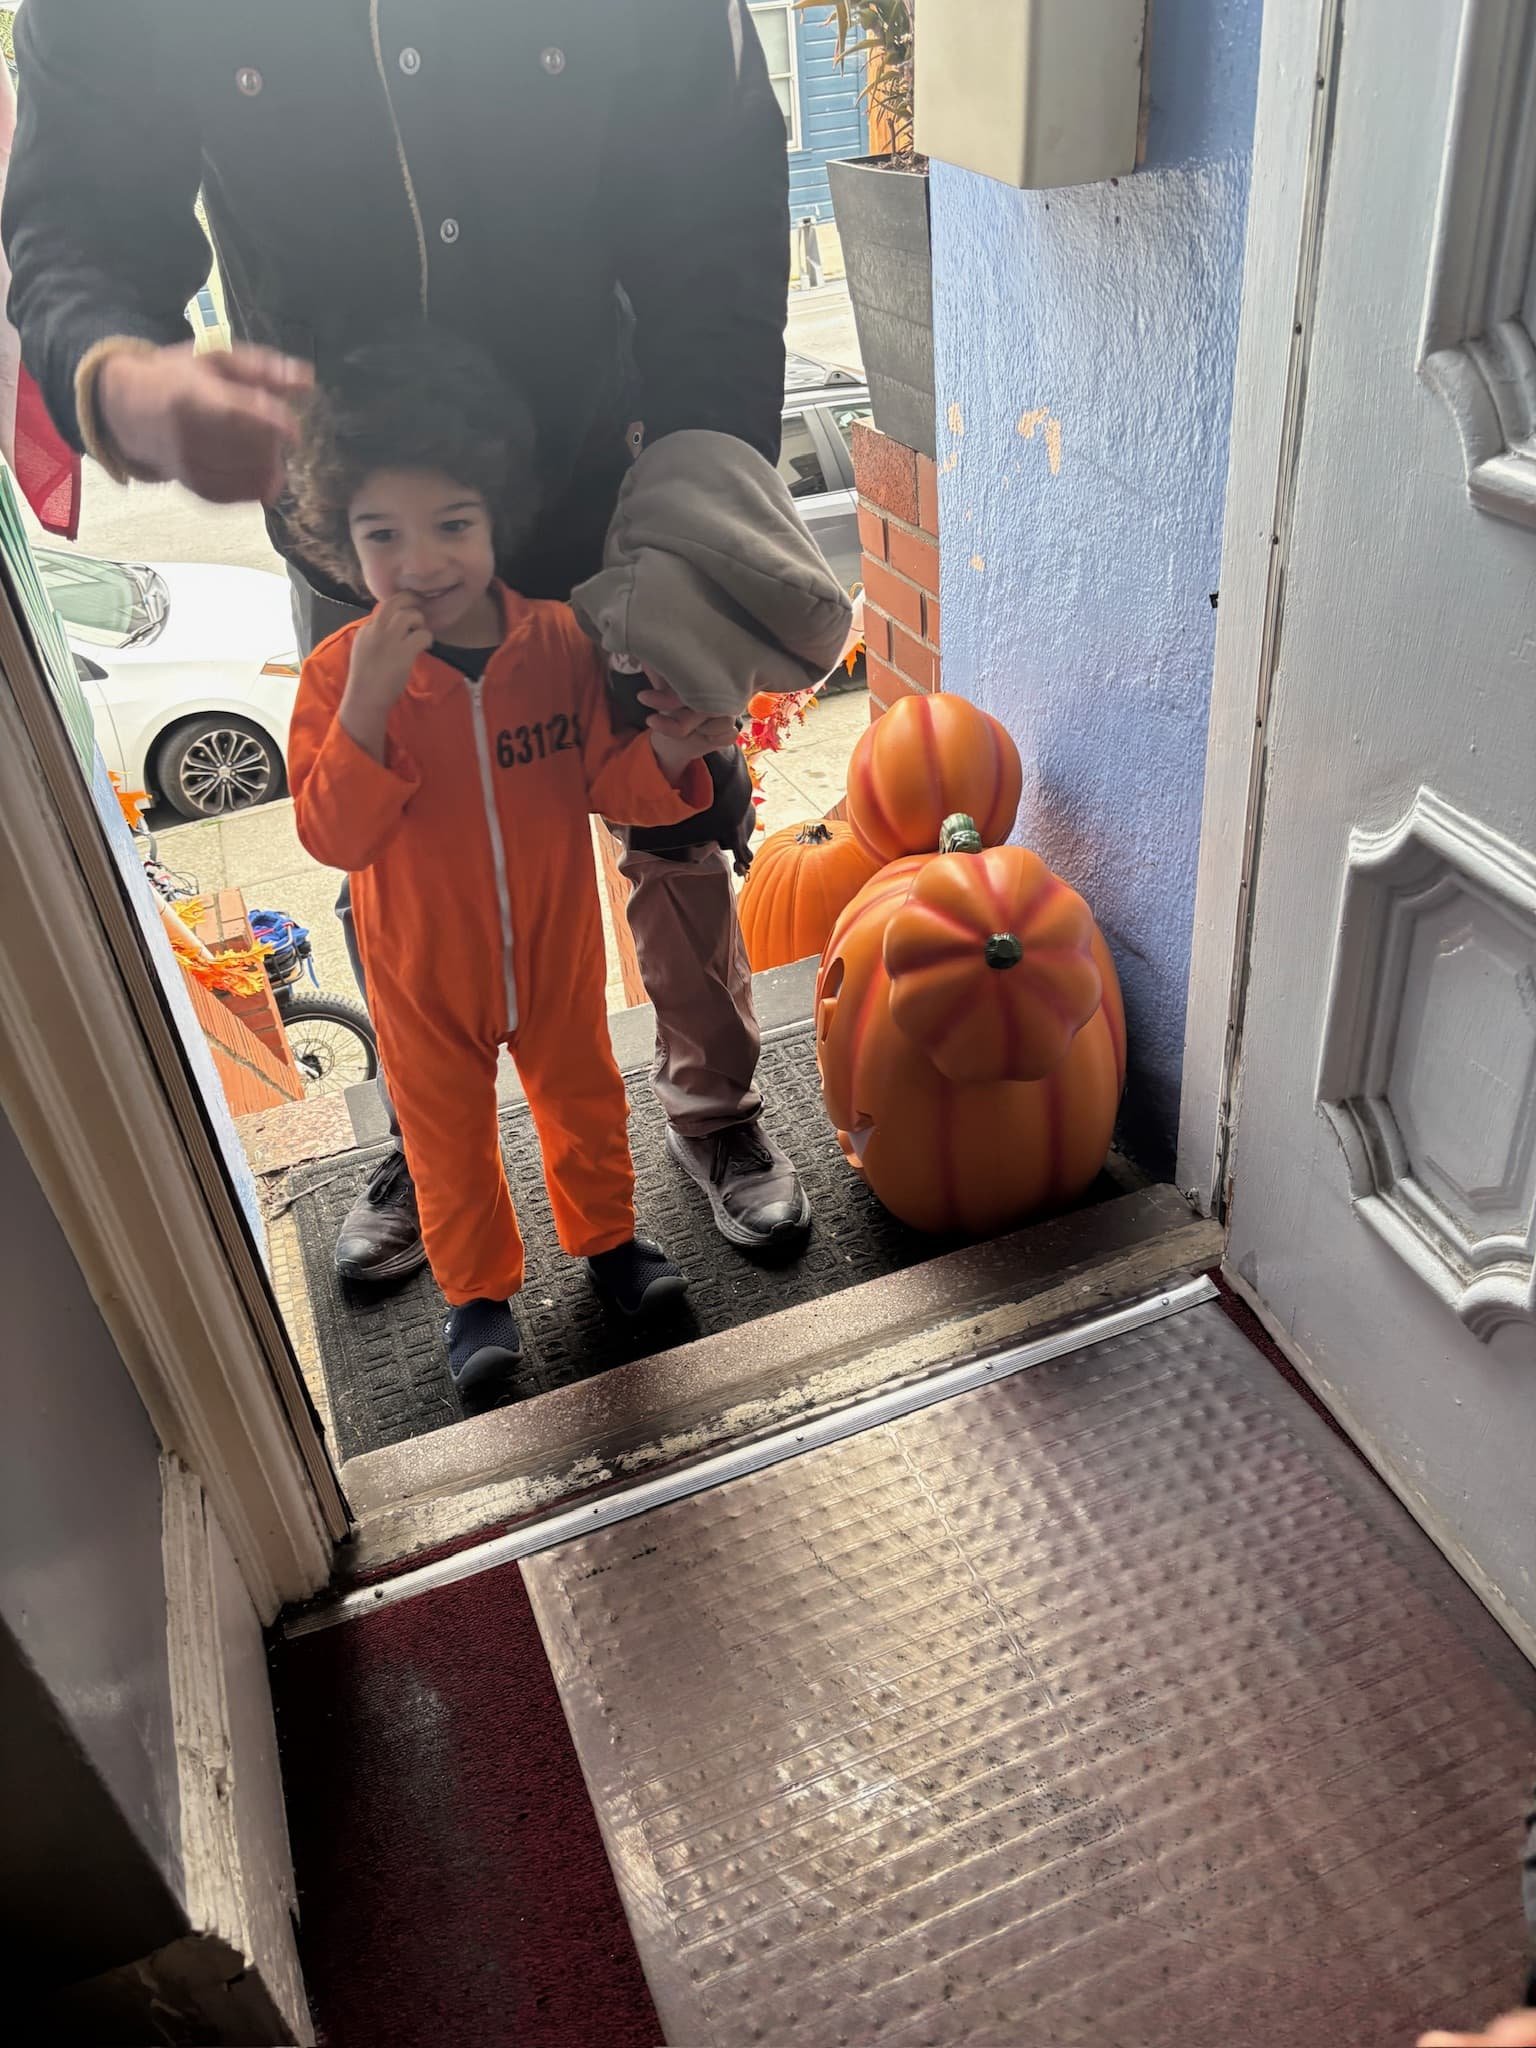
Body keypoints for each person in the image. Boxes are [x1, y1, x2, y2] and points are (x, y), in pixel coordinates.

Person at [2, 0, 812, 1288]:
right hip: (357, 528)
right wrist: (118, 376)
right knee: (384, 837)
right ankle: (424, 1139)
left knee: (682, 798)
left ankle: (716, 1106)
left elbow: (713, 190)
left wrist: (707, 498)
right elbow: (77, 206)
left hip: (611, 477)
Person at [287, 332, 729, 1391]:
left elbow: (610, 781)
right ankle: (477, 1296)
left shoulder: (557, 644)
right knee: (445, 1139)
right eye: (382, 534)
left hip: (555, 953)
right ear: (343, 543)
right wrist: (368, 707)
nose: (422, 561)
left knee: (586, 1106)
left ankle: (611, 1245)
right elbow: (334, 836)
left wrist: (676, 747)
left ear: (495, 516)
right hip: (422, 975)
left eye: (452, 524)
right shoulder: (338, 677)